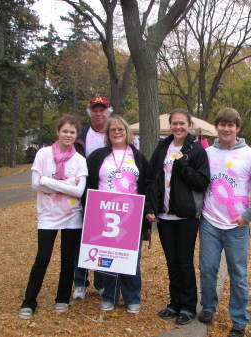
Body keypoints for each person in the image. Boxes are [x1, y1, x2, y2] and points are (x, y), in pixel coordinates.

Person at [198, 108, 251, 337]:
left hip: (236, 226)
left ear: (237, 128)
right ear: (216, 127)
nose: (226, 129)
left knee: (238, 275)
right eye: (222, 124)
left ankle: (239, 321)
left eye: (231, 125)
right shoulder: (208, 153)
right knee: (207, 269)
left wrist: (248, 216)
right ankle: (208, 307)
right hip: (209, 221)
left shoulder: (250, 155)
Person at [145, 109, 210, 325]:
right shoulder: (163, 147)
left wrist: (183, 165)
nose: (178, 127)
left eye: (182, 123)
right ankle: (174, 303)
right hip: (164, 216)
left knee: (184, 262)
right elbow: (153, 179)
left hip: (186, 217)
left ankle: (189, 306)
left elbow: (202, 183)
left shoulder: (196, 149)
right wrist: (151, 206)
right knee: (171, 262)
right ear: (170, 125)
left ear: (189, 125)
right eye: (175, 123)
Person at [19, 115, 88, 319]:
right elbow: (34, 184)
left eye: (72, 132)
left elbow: (79, 192)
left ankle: (62, 299)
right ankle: (29, 301)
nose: (68, 135)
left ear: (76, 136)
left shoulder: (80, 160)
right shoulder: (43, 154)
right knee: (42, 258)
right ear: (58, 132)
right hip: (47, 215)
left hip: (71, 216)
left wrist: (48, 182)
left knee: (68, 260)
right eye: (65, 131)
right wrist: (67, 184)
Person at [82, 115, 149, 312]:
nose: (117, 132)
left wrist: (149, 209)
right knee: (107, 257)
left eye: (121, 129)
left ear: (127, 132)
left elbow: (148, 183)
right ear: (108, 134)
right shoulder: (97, 156)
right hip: (104, 213)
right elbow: (88, 184)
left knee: (130, 257)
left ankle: (132, 297)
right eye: (113, 130)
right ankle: (109, 295)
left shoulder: (138, 157)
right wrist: (88, 207)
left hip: (131, 214)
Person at [73, 95, 112, 300]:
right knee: (81, 239)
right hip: (86, 193)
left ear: (108, 112)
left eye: (102, 110)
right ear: (90, 113)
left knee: (102, 240)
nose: (99, 113)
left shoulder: (115, 133)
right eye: (95, 110)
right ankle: (80, 281)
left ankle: (101, 282)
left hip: (108, 196)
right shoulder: (81, 135)